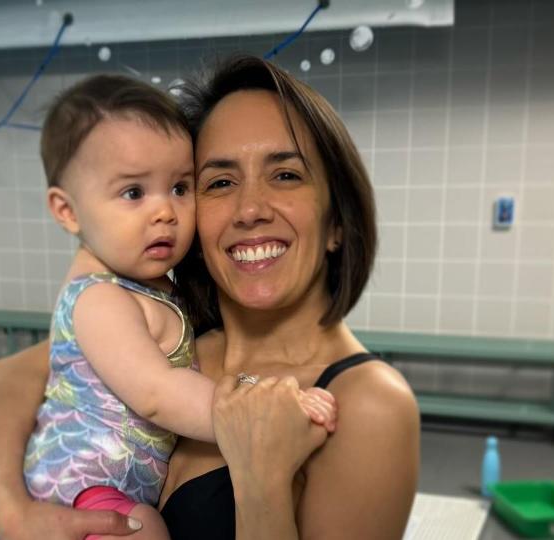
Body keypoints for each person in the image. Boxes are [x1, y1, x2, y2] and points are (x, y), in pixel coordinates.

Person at [0, 56, 419, 540]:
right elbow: (4, 380)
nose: (250, 209)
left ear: (337, 221)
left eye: (286, 175)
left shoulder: (367, 404)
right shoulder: (177, 338)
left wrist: (261, 484)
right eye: (220, 182)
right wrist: (11, 510)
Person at [17, 74, 336, 540]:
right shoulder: (101, 298)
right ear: (68, 212)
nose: (165, 211)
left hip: (119, 485)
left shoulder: (157, 287)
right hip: (83, 487)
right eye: (133, 193)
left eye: (180, 188)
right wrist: (261, 411)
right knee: (143, 530)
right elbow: (157, 392)